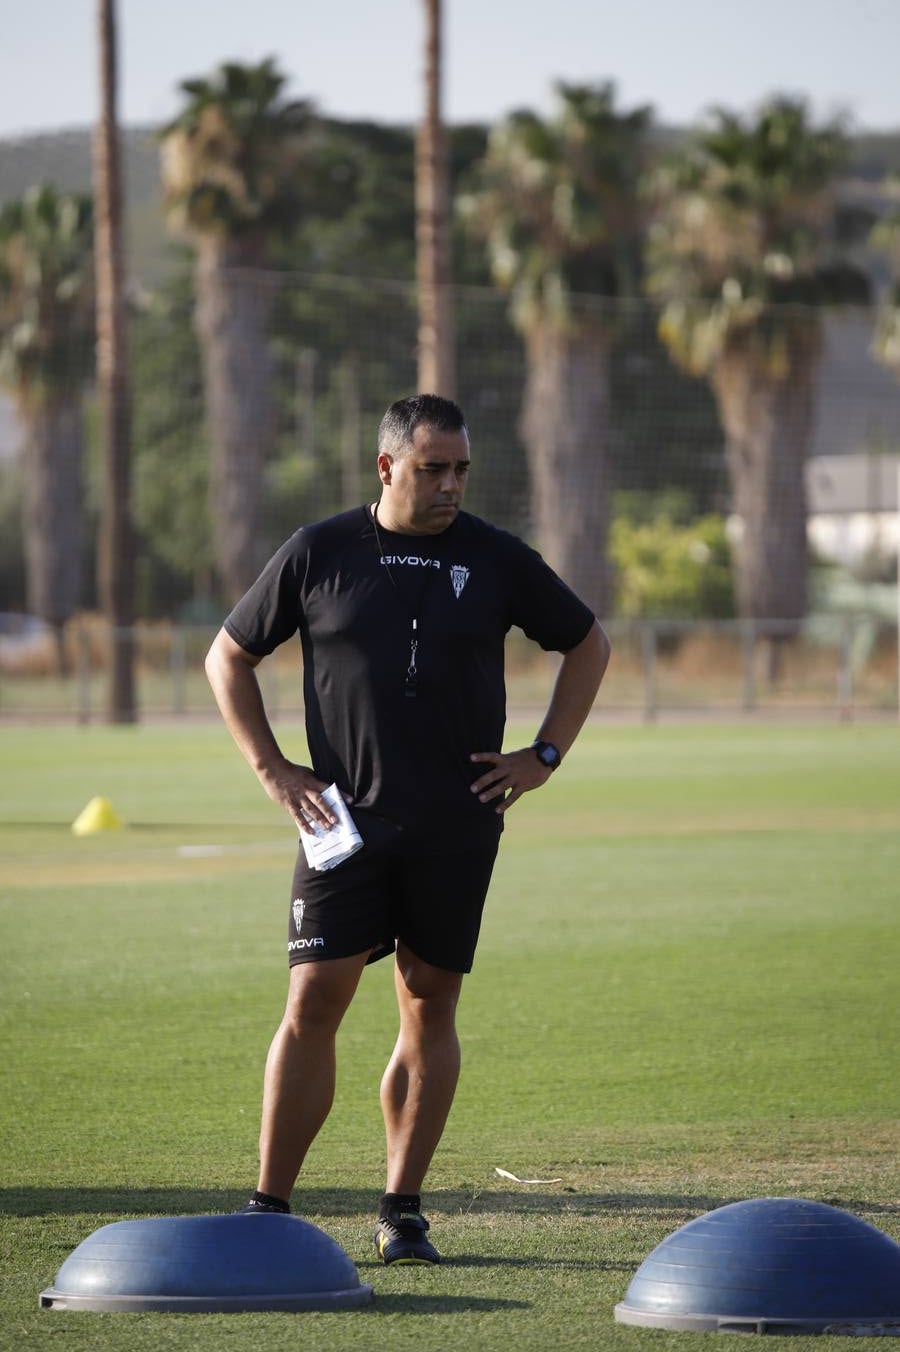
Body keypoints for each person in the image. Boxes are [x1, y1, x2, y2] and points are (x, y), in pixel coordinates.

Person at [205, 393, 610, 1265]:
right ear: (387, 467)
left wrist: (543, 754)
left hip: (458, 822)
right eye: (434, 469)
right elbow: (227, 655)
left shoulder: (498, 559)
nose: (451, 485)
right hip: (341, 822)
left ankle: (401, 1210)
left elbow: (588, 644)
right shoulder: (320, 552)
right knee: (313, 1000)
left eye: (462, 468)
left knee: (430, 1001)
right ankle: (268, 1207)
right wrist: (275, 771)